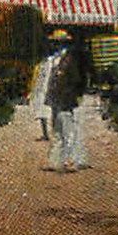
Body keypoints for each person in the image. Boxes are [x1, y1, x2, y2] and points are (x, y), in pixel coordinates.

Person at [45, 30, 89, 171]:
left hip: (65, 99)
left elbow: (76, 80)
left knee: (68, 130)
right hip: (56, 99)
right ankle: (54, 160)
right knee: (57, 130)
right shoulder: (55, 59)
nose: (55, 45)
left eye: (57, 42)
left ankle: (71, 160)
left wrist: (73, 95)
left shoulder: (70, 60)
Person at [29, 42, 61, 142]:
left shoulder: (52, 62)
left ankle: (56, 134)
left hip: (49, 90)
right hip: (42, 90)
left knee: (53, 112)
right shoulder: (43, 63)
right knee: (43, 113)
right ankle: (46, 134)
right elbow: (38, 78)